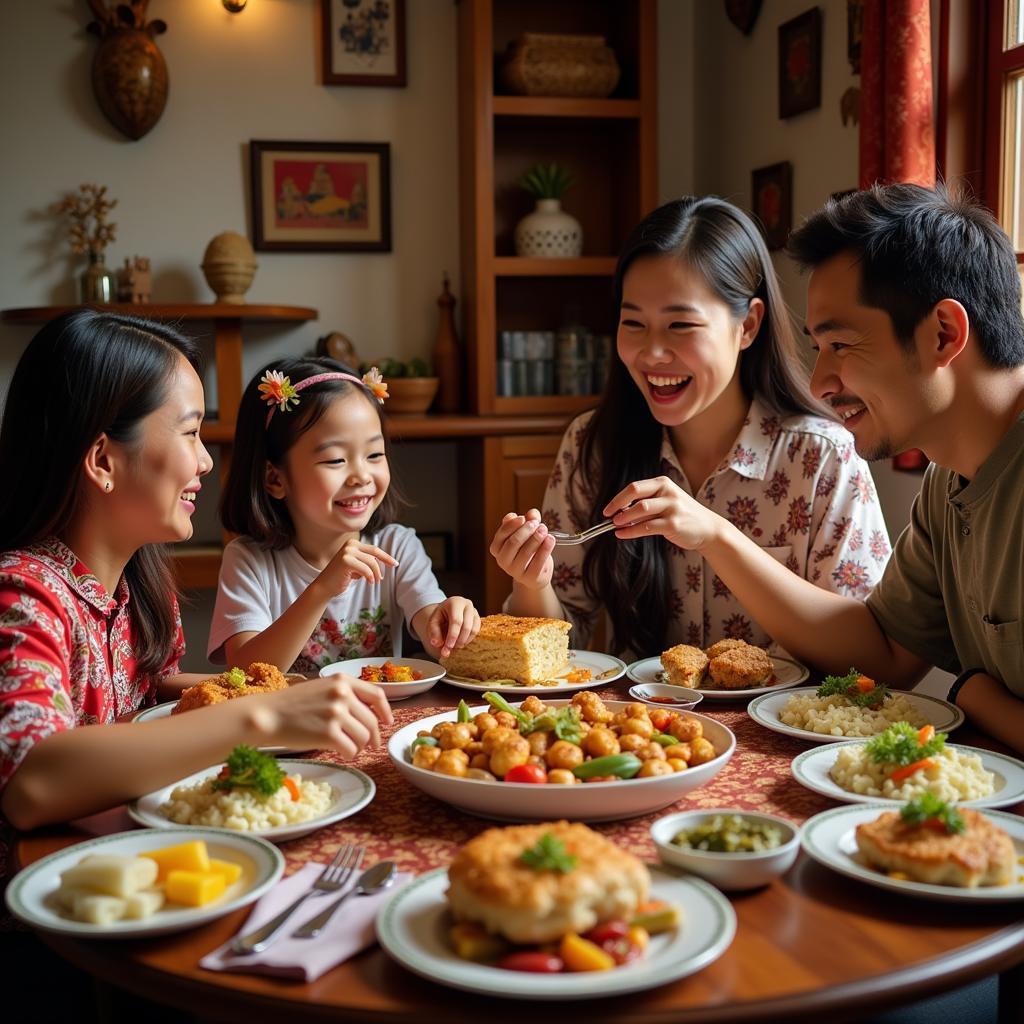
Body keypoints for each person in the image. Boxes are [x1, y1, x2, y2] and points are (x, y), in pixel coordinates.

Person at [601, 183, 1024, 755]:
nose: (822, 383)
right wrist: (718, 534)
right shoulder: (948, 481)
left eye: (842, 345)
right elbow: (885, 655)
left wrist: (973, 693)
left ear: (944, 334)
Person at [0, 311, 393, 835]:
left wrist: (273, 692)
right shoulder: (23, 594)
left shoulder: (140, 585)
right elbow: (31, 780)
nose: (207, 462)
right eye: (190, 433)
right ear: (102, 461)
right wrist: (263, 718)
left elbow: (151, 692)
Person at [489, 196, 890, 659]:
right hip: (642, 728)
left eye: (680, 325)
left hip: (786, 724)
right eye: (633, 323)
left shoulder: (822, 456)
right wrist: (531, 583)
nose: (652, 354)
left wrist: (717, 537)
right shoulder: (593, 444)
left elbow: (862, 655)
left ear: (748, 326)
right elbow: (560, 647)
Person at [209, 356, 480, 675]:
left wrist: (451, 621)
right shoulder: (248, 561)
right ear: (275, 479)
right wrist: (321, 589)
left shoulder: (397, 547)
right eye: (336, 460)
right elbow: (246, 671)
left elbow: (435, 637)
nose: (361, 476)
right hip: (293, 723)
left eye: (375, 454)